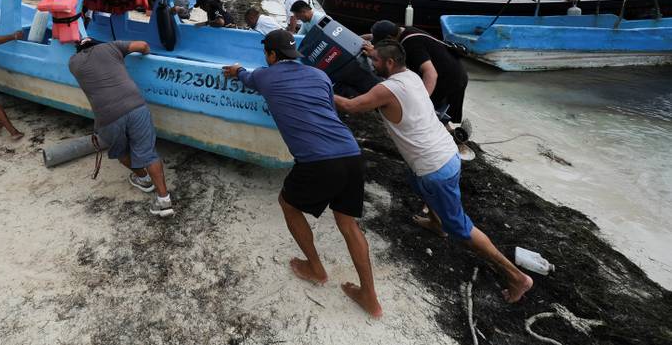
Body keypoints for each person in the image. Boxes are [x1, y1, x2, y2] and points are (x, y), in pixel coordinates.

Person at [333, 41, 533, 303]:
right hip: (448, 155)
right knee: (415, 181)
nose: (372, 64)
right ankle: (437, 224)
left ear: (390, 63)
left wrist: (318, 86)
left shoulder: (387, 89)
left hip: (435, 169)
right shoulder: (412, 76)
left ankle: (517, 277)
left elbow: (350, 106)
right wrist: (373, 50)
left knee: (461, 227)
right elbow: (387, 72)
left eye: (376, 61)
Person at [222, 30, 383, 318]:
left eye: (267, 54)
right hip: (351, 153)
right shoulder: (319, 75)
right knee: (348, 224)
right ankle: (370, 297)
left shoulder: (264, 76)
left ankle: (316, 268)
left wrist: (237, 70)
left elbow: (244, 76)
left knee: (288, 204)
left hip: (318, 161)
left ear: (271, 55)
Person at [68, 38, 174, 218]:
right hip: (136, 107)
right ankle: (164, 200)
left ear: (80, 50)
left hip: (107, 116)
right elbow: (144, 45)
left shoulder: (73, 63)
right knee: (148, 154)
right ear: (97, 44)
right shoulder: (111, 46)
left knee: (120, 151)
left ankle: (143, 179)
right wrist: (142, 55)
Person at [368, 20, 472, 159]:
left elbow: (431, 73)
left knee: (427, 114)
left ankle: (447, 147)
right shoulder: (403, 30)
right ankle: (454, 137)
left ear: (390, 39)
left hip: (448, 79)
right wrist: (360, 39)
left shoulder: (411, 44)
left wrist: (422, 99)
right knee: (437, 114)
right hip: (455, 72)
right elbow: (373, 37)